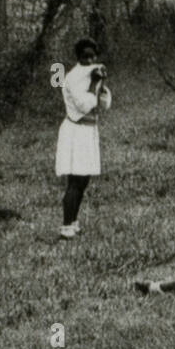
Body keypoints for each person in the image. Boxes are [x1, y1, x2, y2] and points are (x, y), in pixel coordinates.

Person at [57, 37, 112, 239]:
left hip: (89, 131)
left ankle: (73, 222)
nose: (89, 60)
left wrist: (102, 85)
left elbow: (104, 104)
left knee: (84, 181)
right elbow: (83, 105)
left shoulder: (93, 72)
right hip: (75, 131)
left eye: (92, 56)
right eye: (85, 56)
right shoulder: (72, 77)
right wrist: (94, 83)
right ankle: (66, 227)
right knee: (75, 180)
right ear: (78, 56)